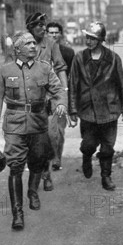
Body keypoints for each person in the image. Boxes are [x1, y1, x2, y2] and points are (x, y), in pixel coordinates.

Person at [0, 31, 67, 230]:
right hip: (14, 125)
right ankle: (17, 213)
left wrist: (61, 104)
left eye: (34, 43)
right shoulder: (5, 71)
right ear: (18, 49)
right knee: (15, 166)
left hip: (39, 123)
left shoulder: (45, 68)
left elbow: (58, 90)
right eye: (28, 43)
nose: (34, 46)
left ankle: (32, 191)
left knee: (38, 160)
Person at [69, 22, 123, 191]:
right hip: (87, 109)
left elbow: (121, 83)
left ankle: (106, 176)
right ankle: (86, 156)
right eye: (87, 37)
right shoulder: (79, 58)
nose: (89, 41)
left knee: (108, 146)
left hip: (109, 108)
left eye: (93, 38)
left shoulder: (113, 58)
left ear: (101, 40)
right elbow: (73, 84)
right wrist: (72, 109)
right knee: (88, 143)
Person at [25, 12, 68, 191]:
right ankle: (40, 170)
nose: (43, 28)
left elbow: (60, 68)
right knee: (31, 140)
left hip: (48, 99)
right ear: (30, 28)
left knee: (50, 136)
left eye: (44, 25)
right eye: (39, 26)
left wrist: (63, 95)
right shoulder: (21, 44)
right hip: (27, 100)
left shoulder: (51, 44)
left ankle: (47, 173)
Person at [46, 21, 75, 170]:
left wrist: (69, 99)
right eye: (50, 32)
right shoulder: (40, 51)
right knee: (45, 130)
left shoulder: (68, 53)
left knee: (59, 130)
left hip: (60, 96)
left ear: (61, 34)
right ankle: (46, 159)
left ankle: (57, 158)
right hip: (43, 97)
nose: (53, 35)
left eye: (56, 32)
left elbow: (72, 77)